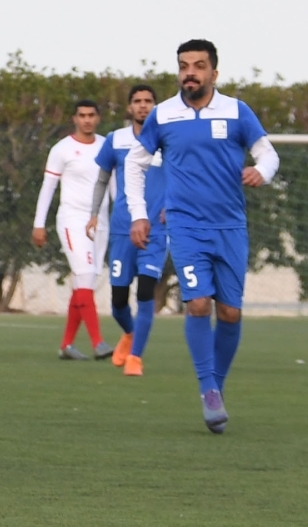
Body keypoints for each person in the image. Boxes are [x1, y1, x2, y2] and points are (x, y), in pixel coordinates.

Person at [125, 39, 279, 433]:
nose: (189, 72)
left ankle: (217, 389)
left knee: (229, 312)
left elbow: (267, 153)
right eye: (183, 66)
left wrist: (263, 171)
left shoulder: (236, 110)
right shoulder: (164, 115)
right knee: (197, 305)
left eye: (197, 65)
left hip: (230, 226)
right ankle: (207, 389)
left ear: (214, 72)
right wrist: (140, 215)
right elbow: (135, 163)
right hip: (184, 224)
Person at [86, 84, 166, 376]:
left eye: (148, 101)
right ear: (129, 108)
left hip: (156, 231)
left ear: (155, 106)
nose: (143, 106)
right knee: (118, 301)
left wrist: (172, 205)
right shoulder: (116, 140)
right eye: (137, 101)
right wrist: (94, 214)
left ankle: (136, 358)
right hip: (122, 229)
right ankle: (130, 334)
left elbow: (181, 177)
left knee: (146, 292)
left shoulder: (167, 140)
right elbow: (101, 180)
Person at [32, 100, 114, 360]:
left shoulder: (106, 146)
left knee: (83, 282)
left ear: (98, 118)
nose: (87, 120)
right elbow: (48, 187)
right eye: (82, 115)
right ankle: (98, 342)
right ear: (75, 119)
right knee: (86, 277)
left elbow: (112, 185)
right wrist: (38, 223)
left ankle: (67, 345)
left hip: (100, 221)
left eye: (91, 115)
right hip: (72, 220)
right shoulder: (62, 149)